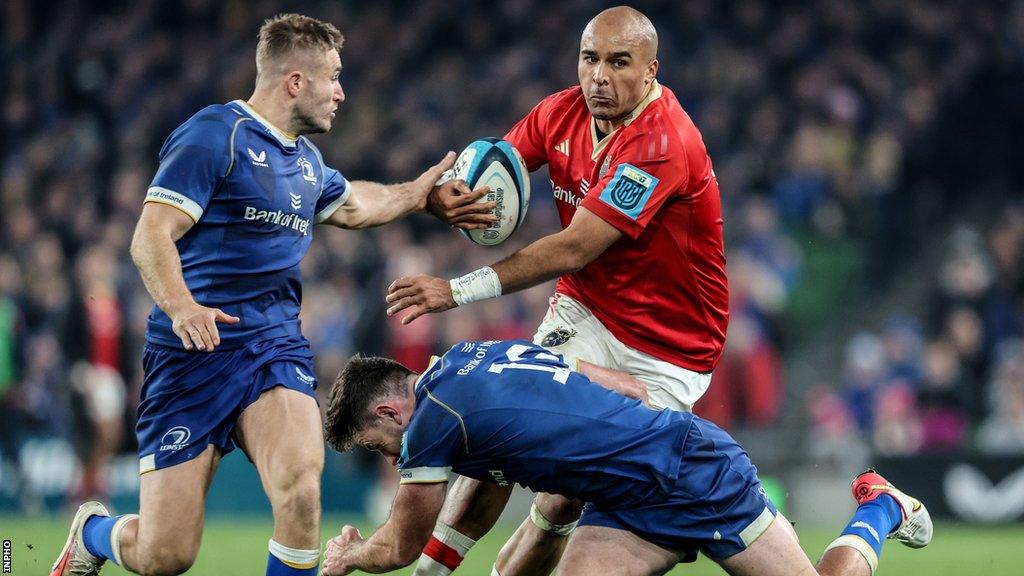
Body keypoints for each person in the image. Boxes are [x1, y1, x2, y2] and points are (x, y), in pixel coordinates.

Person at [49, 13, 492, 576]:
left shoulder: (306, 164)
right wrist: (182, 307)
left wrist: (419, 195)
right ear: (295, 81)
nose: (342, 91)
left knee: (303, 492)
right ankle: (92, 532)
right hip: (191, 357)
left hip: (271, 348)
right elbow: (150, 234)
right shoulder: (215, 134)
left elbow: (357, 203)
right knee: (166, 555)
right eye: (333, 76)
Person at [385, 6, 728, 575]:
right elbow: (494, 166)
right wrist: (447, 195)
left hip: (670, 350)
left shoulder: (664, 141)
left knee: (561, 495)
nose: (599, 76)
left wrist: (456, 290)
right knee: (505, 410)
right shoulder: (559, 113)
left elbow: (573, 247)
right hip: (587, 310)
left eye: (619, 63)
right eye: (590, 59)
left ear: (650, 71)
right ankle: (432, 570)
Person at [319, 339, 932, 576]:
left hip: (690, 475)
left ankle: (879, 508)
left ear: (390, 414)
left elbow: (399, 545)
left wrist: (349, 556)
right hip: (626, 496)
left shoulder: (431, 423)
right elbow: (623, 387)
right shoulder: (473, 354)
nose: (392, 458)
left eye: (380, 445)